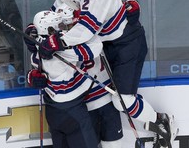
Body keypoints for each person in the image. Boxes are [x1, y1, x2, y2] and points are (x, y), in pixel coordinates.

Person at [37, 0, 177, 147]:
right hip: (105, 46)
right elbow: (51, 18)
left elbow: (86, 30)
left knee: (122, 101)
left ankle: (160, 121)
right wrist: (35, 29)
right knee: (101, 95)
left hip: (127, 45)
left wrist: (57, 42)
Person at [26, 8, 123, 148]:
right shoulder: (62, 51)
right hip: (74, 114)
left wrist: (32, 75)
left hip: (53, 112)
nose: (63, 29)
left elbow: (37, 65)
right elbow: (94, 47)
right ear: (50, 30)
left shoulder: (37, 49)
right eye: (59, 26)